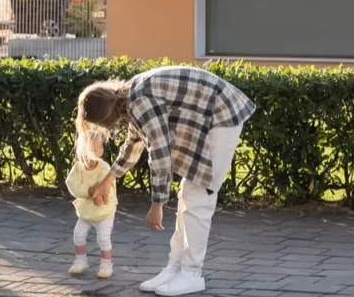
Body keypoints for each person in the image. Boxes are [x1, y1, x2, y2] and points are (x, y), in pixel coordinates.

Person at [76, 66, 255, 296]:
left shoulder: (138, 101)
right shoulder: (130, 97)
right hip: (210, 115)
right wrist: (109, 178)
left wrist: (157, 205)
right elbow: (134, 142)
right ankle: (176, 267)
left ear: (106, 118)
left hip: (222, 115)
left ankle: (192, 274)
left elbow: (160, 153)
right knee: (188, 195)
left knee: (199, 198)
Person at [65, 127, 117, 279]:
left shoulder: (104, 168)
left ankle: (107, 264)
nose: (88, 156)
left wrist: (102, 196)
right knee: (78, 235)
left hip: (103, 213)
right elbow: (72, 184)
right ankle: (80, 261)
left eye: (93, 151)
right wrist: (88, 191)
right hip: (86, 214)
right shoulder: (78, 168)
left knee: (103, 238)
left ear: (100, 152)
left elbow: (110, 188)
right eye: (85, 152)